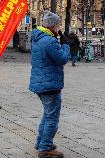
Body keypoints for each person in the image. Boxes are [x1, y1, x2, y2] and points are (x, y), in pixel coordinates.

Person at [29, 10, 70, 158]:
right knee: (52, 117)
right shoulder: (50, 40)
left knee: (47, 114)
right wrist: (65, 45)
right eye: (58, 24)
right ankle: (46, 148)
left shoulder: (38, 38)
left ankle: (41, 142)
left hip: (40, 82)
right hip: (49, 84)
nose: (59, 27)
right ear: (52, 26)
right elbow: (62, 59)